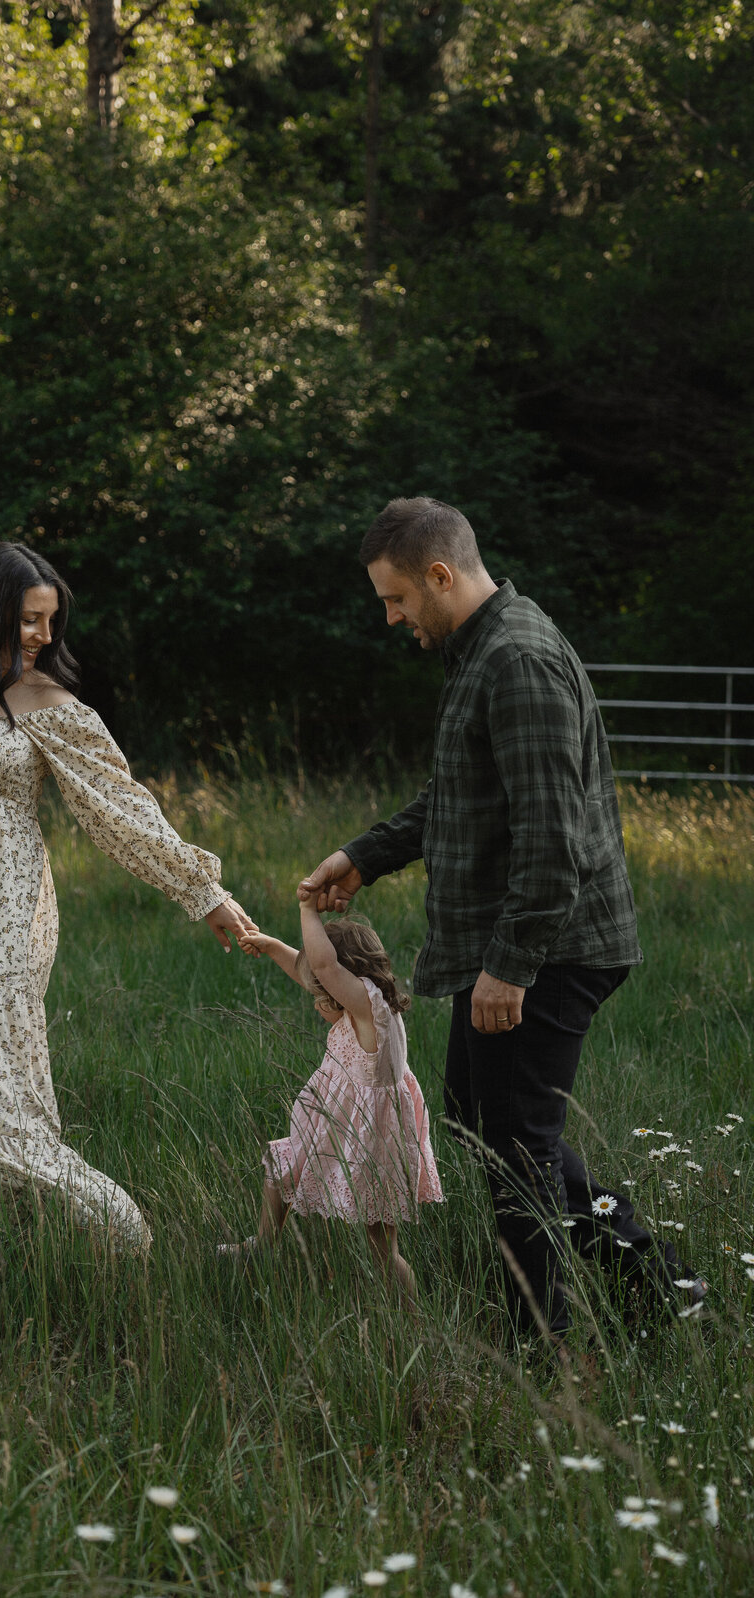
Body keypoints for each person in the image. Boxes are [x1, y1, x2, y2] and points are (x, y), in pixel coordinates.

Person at [299, 496, 703, 1340]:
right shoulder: (481, 654)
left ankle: (546, 1347)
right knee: (487, 1129)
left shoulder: (516, 660)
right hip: (526, 942)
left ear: (439, 577)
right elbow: (463, 796)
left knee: (515, 1150)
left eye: (397, 599)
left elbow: (554, 840)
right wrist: (366, 854)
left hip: (552, 948)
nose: (390, 618)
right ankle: (664, 1288)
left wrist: (513, 965)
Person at [0, 541, 256, 1251]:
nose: (43, 637)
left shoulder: (47, 703)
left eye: (50, 623)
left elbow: (121, 807)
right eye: (30, 619)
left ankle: (109, 1226)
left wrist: (202, 890)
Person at [221, 898, 442, 1308]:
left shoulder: (369, 1011)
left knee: (381, 1250)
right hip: (340, 1129)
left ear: (344, 981)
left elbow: (322, 968)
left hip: (372, 1145)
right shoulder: (361, 1003)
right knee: (281, 1164)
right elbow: (313, 972)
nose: (316, 999)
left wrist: (306, 908)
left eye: (320, 995)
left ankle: (415, 1321)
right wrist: (271, 946)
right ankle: (263, 1244)